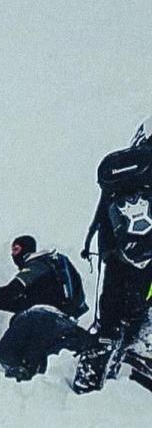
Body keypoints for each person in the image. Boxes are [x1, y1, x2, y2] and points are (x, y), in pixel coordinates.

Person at [76, 115, 152, 392]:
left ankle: (89, 383)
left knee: (109, 325)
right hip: (145, 272)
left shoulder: (120, 181)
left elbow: (101, 225)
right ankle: (140, 356)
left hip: (116, 263)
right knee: (139, 318)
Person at [0, 235, 91, 380]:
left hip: (39, 318)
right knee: (37, 366)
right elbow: (17, 304)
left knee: (7, 352)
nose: (13, 255)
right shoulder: (51, 276)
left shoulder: (37, 264)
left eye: (16, 249)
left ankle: (18, 385)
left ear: (27, 249)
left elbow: (11, 292)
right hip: (62, 323)